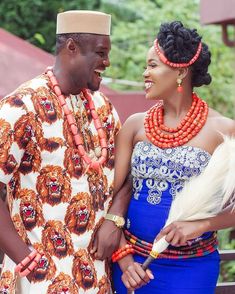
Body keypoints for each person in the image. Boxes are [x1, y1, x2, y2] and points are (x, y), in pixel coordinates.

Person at [0, 10, 128, 294]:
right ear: (71, 47)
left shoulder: (103, 108)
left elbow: (127, 173)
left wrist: (114, 218)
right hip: (40, 280)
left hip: (96, 279)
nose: (106, 62)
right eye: (100, 53)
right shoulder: (22, 106)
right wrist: (25, 258)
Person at [110, 21, 235, 294]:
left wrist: (201, 225)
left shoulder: (225, 131)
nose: (145, 73)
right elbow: (109, 197)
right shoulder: (133, 125)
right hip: (131, 268)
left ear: (180, 71)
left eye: (152, 65)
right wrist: (124, 258)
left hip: (192, 270)